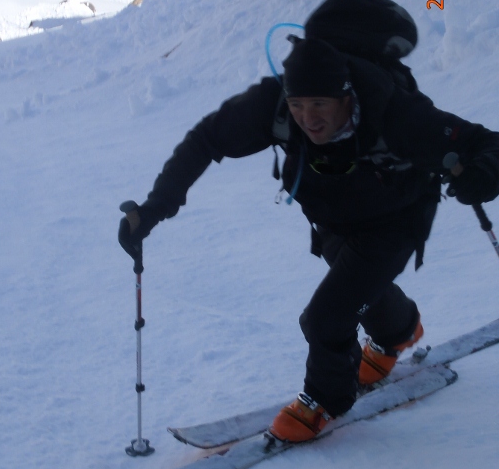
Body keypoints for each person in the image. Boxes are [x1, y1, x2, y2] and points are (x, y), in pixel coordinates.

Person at [118, 28, 499, 443]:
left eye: (320, 103)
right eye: (298, 104)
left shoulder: (395, 115)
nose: (307, 116)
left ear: (346, 97)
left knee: (325, 317)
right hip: (335, 218)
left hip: (397, 218)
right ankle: (399, 331)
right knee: (354, 284)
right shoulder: (274, 106)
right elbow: (206, 139)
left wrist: (484, 175)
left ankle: (324, 400)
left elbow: (485, 143)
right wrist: (155, 207)